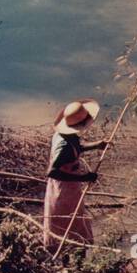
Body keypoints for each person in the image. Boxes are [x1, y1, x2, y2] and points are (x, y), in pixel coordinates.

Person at [42, 99, 107, 249]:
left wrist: (96, 145)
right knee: (68, 225)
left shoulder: (65, 136)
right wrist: (84, 178)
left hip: (69, 187)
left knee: (72, 222)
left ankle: (71, 256)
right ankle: (70, 258)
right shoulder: (63, 146)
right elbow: (52, 172)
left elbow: (76, 148)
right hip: (63, 191)